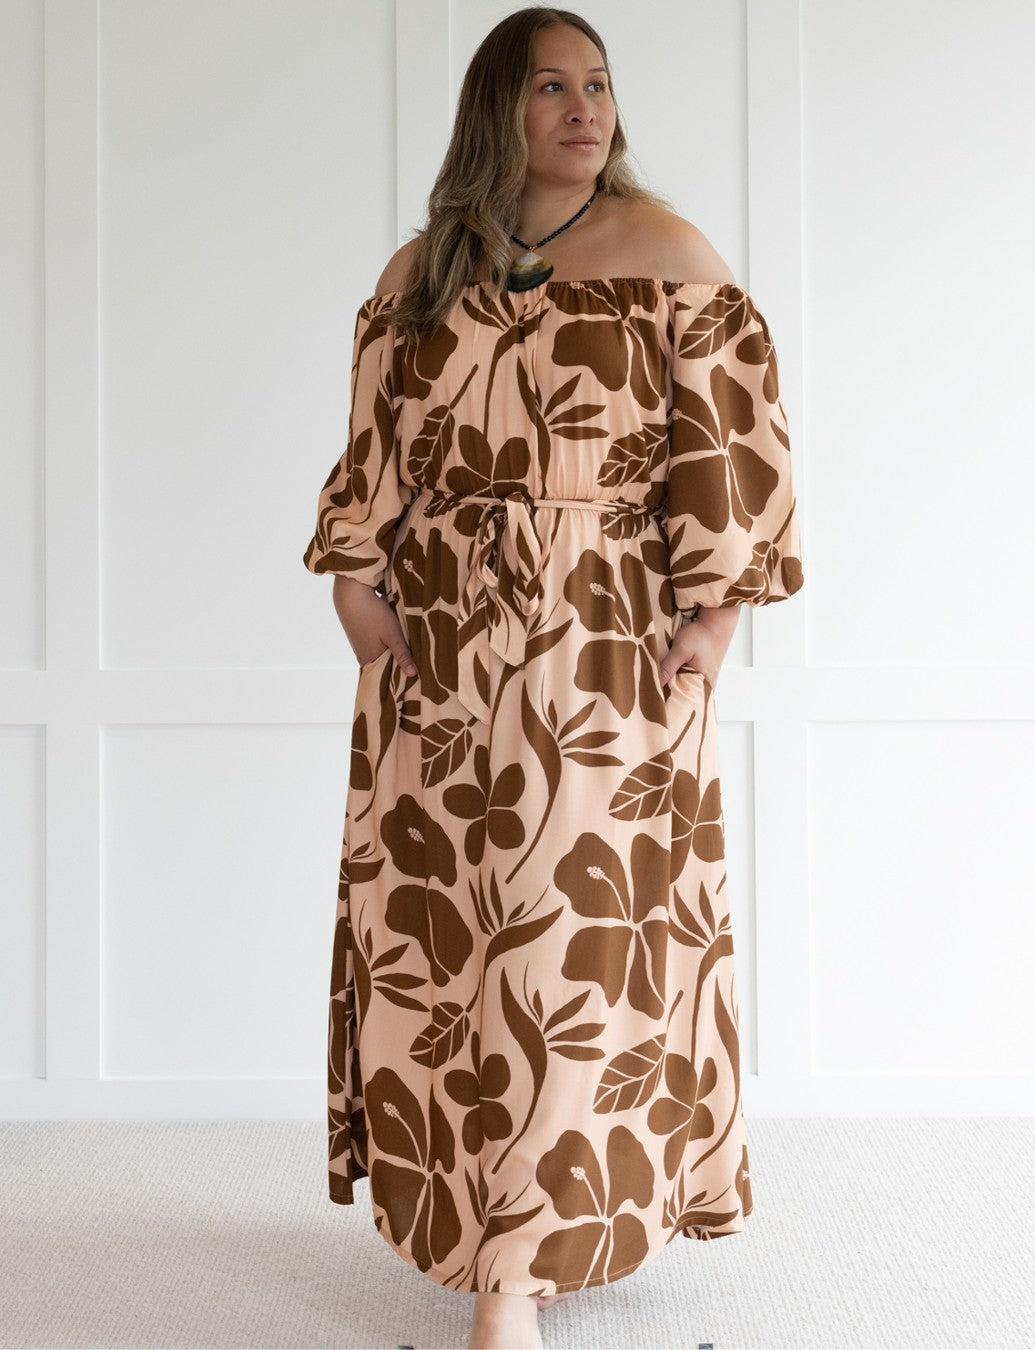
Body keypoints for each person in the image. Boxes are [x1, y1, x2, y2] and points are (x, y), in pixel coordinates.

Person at [302, 7, 804, 1348]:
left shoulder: (670, 253)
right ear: (496, 113)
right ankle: (492, 1233)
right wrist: (357, 578)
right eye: (551, 88)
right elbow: (376, 448)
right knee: (457, 943)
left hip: (605, 644)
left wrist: (718, 613)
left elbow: (733, 446)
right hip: (445, 649)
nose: (585, 108)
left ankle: (513, 1273)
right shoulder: (423, 273)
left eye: (600, 84)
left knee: (575, 948)